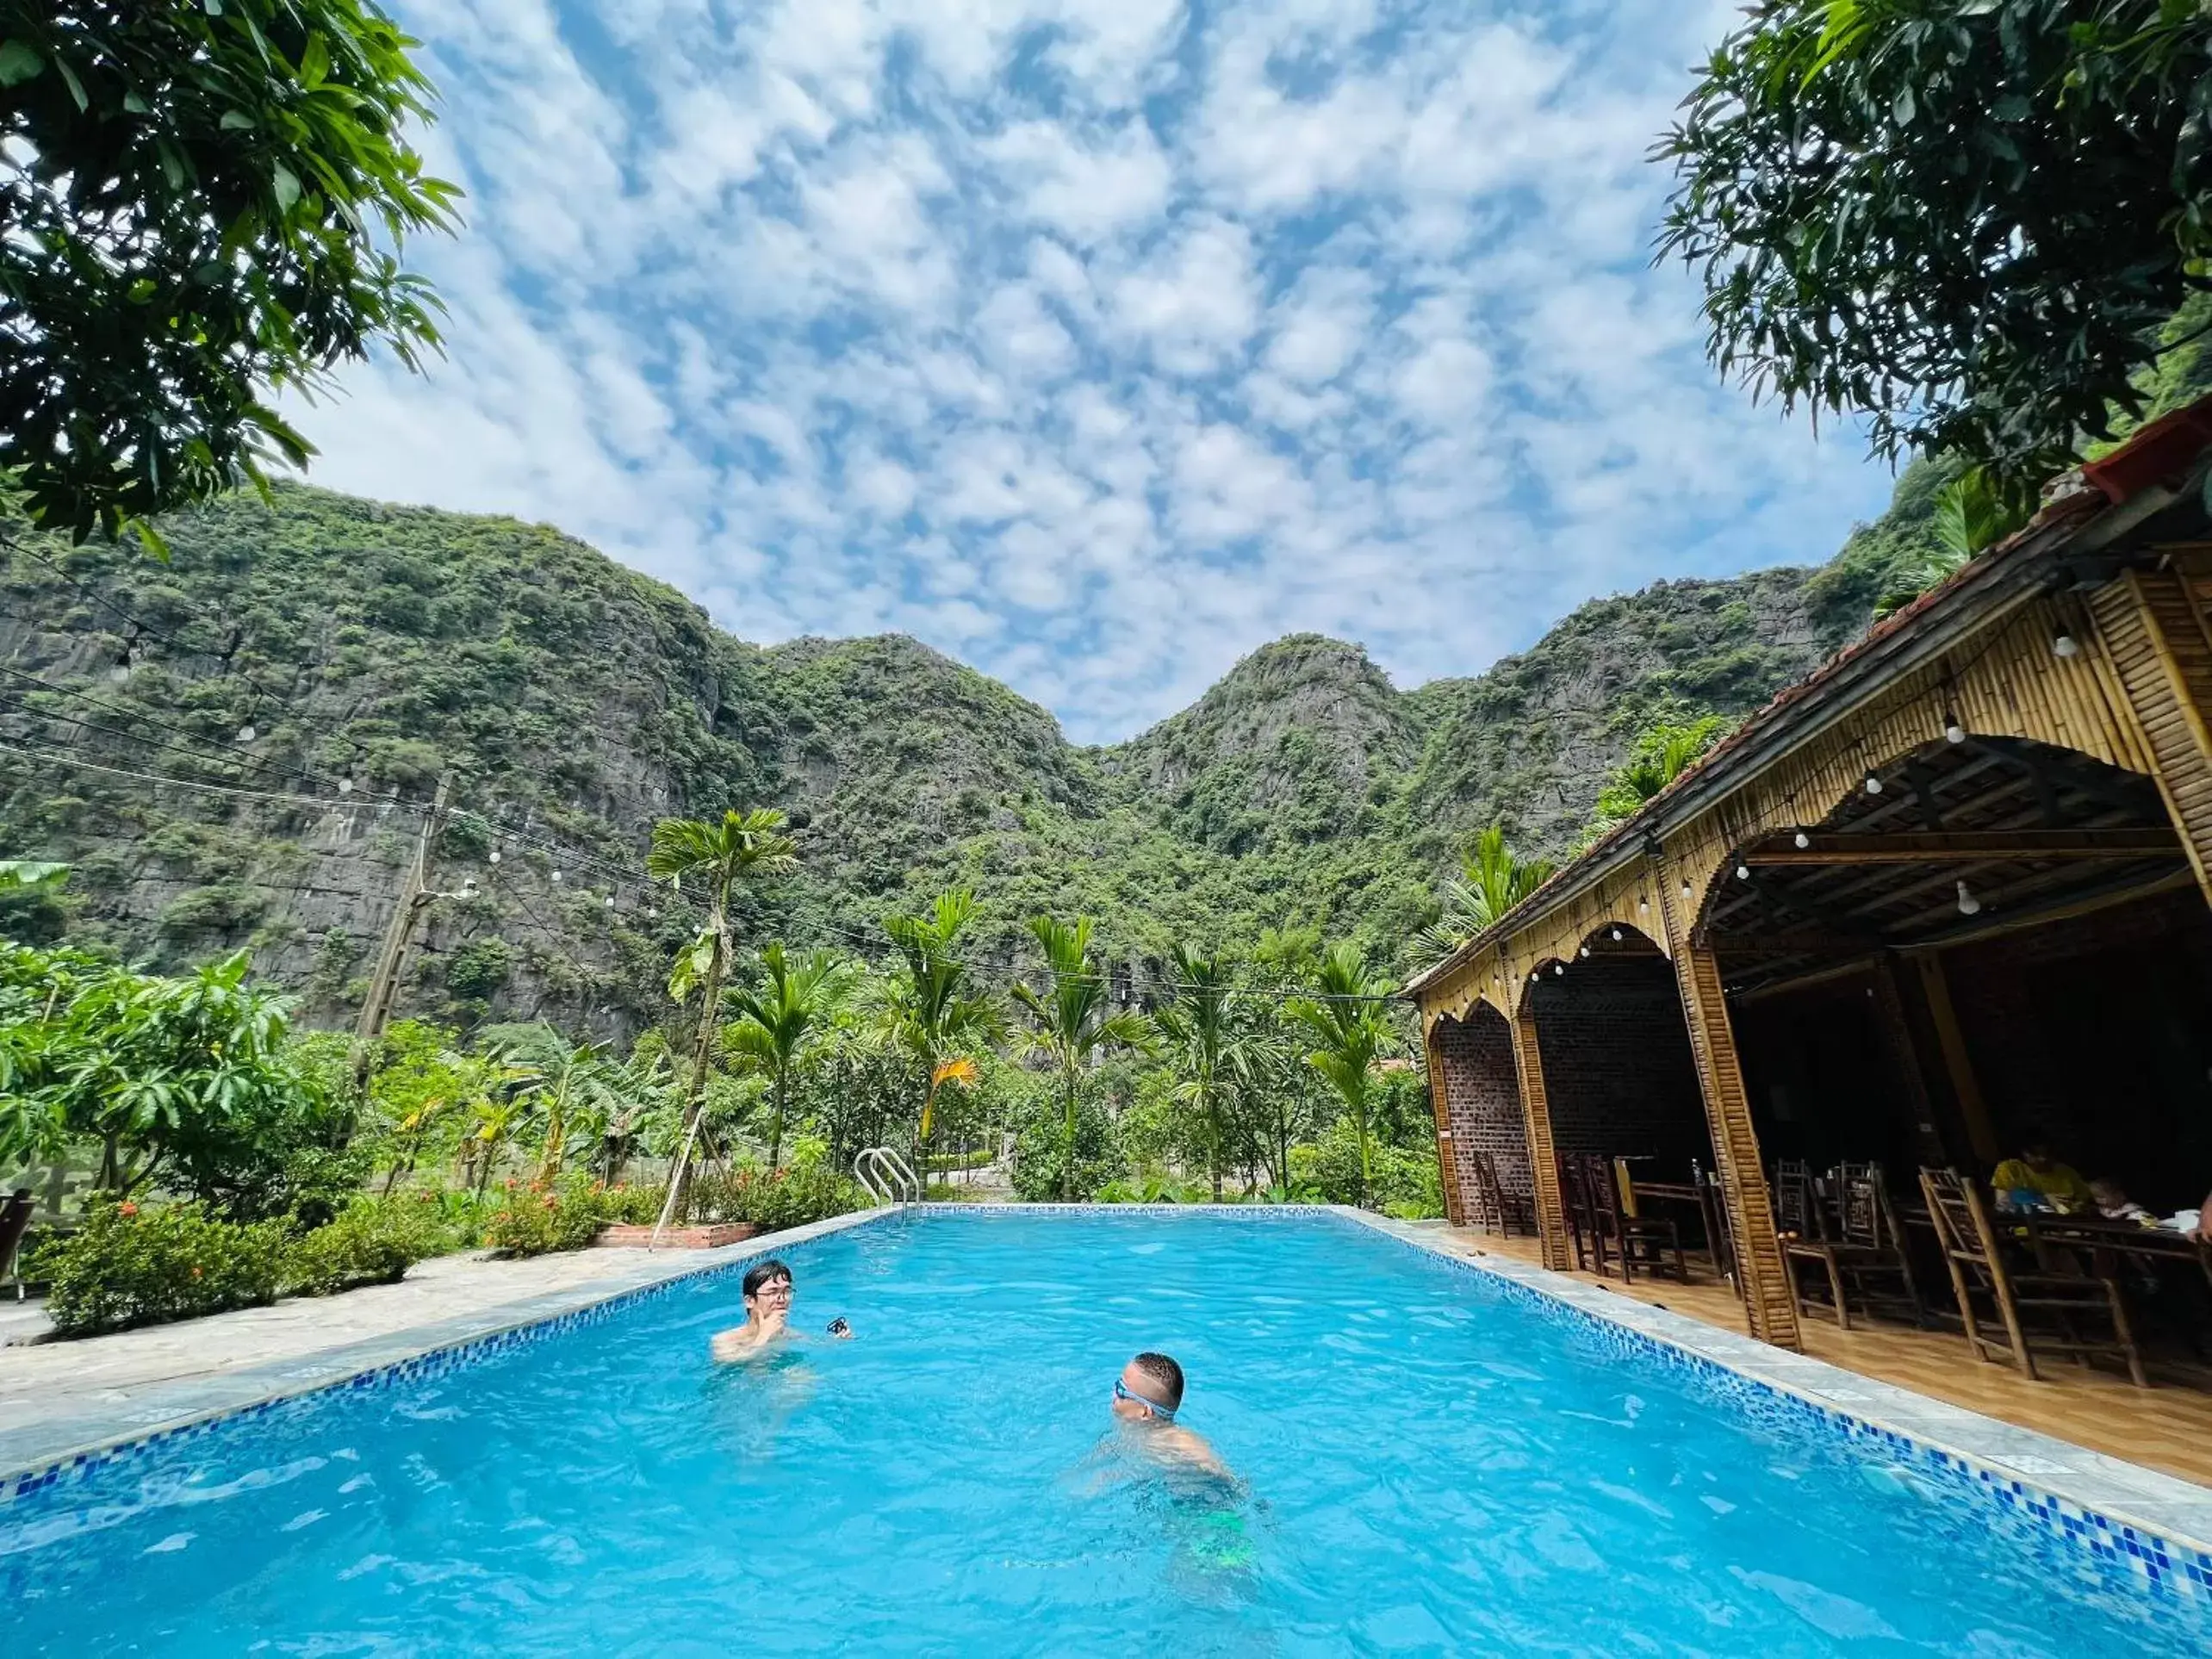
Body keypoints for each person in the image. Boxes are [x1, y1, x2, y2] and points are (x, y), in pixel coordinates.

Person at [1109, 1351, 1230, 1480]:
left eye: (1121, 1391)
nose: (1113, 1395)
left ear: (1145, 1412)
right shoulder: (1130, 1430)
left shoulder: (1176, 1442)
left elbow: (1219, 1471)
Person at [711, 1258, 854, 1363]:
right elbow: (729, 1365)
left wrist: (839, 1340)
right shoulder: (725, 1340)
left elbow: (820, 1347)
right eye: (772, 1292)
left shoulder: (789, 1335)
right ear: (750, 1301)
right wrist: (764, 1335)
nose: (782, 1298)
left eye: (786, 1291)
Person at [1988, 1144, 2094, 1215]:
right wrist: (2044, 1199)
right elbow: (2002, 1206)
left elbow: (2084, 1197)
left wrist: (2078, 1206)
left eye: (2046, 1154)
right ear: (2025, 1153)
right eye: (2036, 1155)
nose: (2043, 1159)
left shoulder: (2065, 1171)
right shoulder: (2010, 1169)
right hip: (2028, 1228)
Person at [2089, 1177, 2157, 1226]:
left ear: (2119, 1195)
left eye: (2102, 1197)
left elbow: (2153, 1227)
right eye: (2096, 1197)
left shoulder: (2136, 1213)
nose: (2098, 1201)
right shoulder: (2101, 1213)